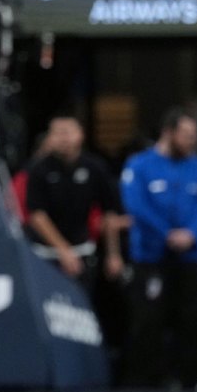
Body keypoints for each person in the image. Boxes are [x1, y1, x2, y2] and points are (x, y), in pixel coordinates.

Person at [120, 110, 197, 388]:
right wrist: (166, 234)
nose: (191, 142)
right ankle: (145, 381)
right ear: (169, 132)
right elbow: (136, 206)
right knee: (148, 320)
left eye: (194, 136)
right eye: (186, 136)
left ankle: (189, 379)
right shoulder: (139, 165)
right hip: (151, 255)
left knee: (192, 319)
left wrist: (192, 234)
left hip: (191, 255)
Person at [26, 115, 124, 293]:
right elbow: (36, 215)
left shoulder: (95, 167)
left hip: (83, 252)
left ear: (80, 134)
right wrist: (63, 250)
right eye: (57, 133)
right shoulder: (37, 169)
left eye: (67, 132)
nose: (63, 138)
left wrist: (113, 254)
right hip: (45, 254)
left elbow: (109, 212)